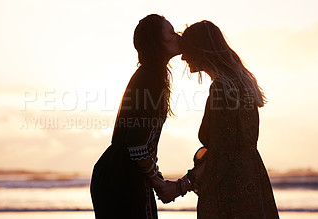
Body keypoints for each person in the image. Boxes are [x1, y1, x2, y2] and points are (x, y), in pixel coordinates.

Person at [168, 20, 280, 218]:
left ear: (200, 49)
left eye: (187, 50)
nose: (183, 58)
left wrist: (182, 185)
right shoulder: (242, 83)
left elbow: (223, 152)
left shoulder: (222, 88)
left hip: (230, 189)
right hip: (252, 178)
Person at [90, 14, 181, 219]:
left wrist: (154, 176)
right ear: (156, 43)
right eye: (171, 33)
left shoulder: (150, 75)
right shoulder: (150, 78)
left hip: (119, 173)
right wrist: (156, 180)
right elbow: (137, 144)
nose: (178, 37)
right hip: (122, 178)